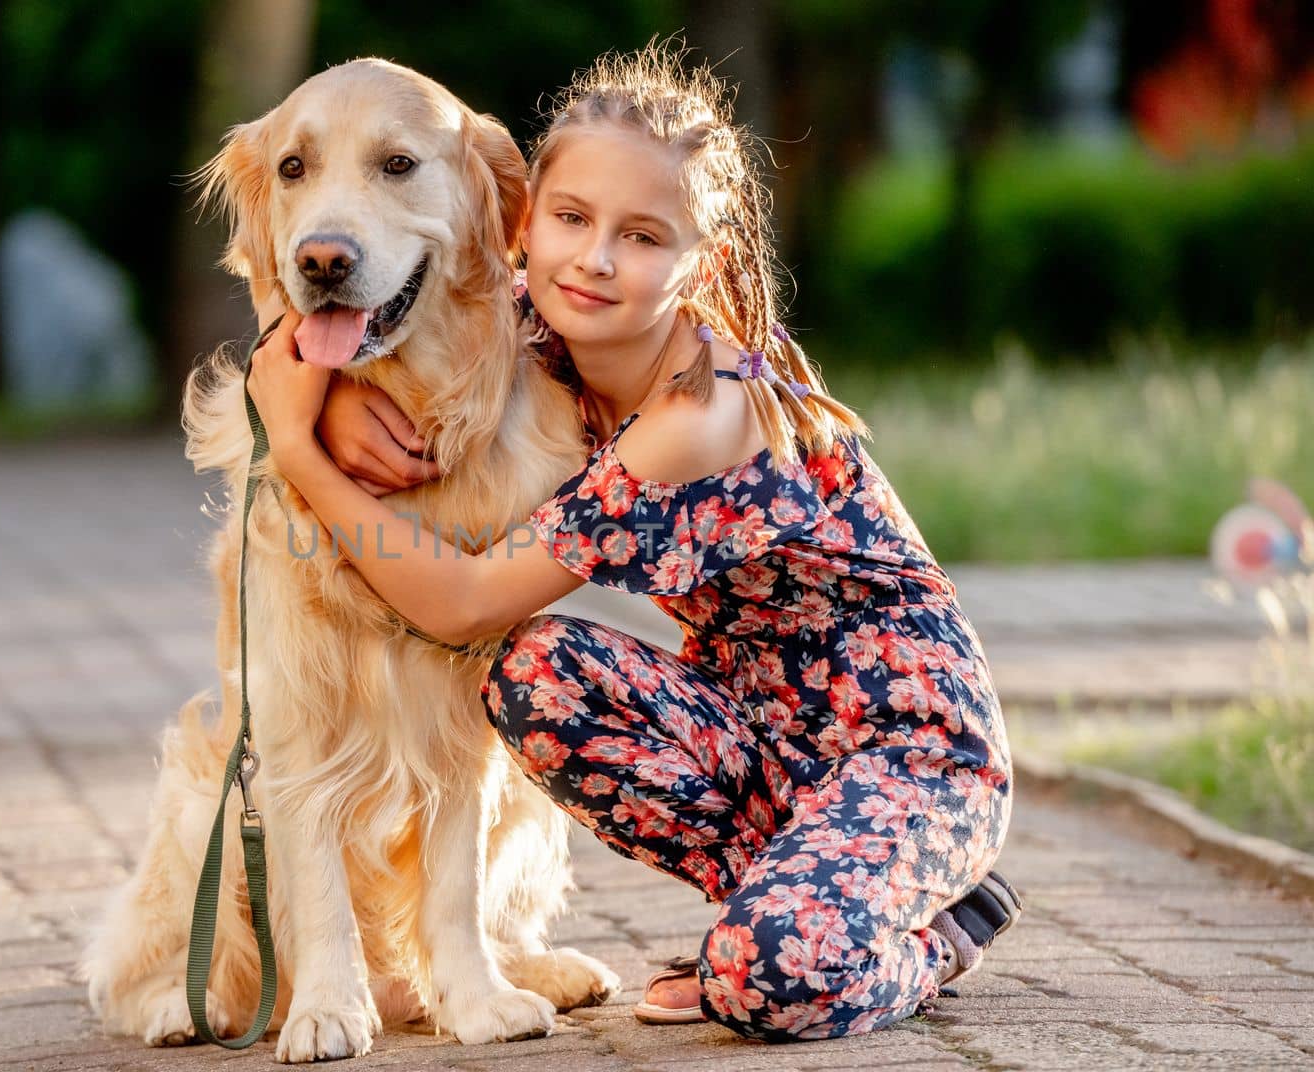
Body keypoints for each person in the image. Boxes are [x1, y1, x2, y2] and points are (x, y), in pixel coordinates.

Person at [243, 43, 1020, 1043]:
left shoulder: (702, 409)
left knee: (766, 982)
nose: (596, 257)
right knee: (536, 673)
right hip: (757, 733)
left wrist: (306, 457)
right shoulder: (549, 334)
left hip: (907, 752)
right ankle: (799, 911)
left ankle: (919, 940)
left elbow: (467, 604)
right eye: (570, 220)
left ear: (708, 258)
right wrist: (334, 412)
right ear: (521, 218)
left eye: (644, 236)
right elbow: (346, 332)